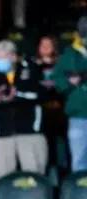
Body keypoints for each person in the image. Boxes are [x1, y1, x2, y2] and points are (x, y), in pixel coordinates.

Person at [0, 39, 46, 178]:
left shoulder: (30, 68)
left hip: (30, 132)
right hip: (4, 133)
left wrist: (18, 94)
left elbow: (41, 94)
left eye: (3, 57)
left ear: (14, 56)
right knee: (3, 178)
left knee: (34, 177)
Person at [55, 17, 87, 173]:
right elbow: (55, 80)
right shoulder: (69, 54)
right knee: (79, 162)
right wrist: (69, 81)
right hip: (78, 116)